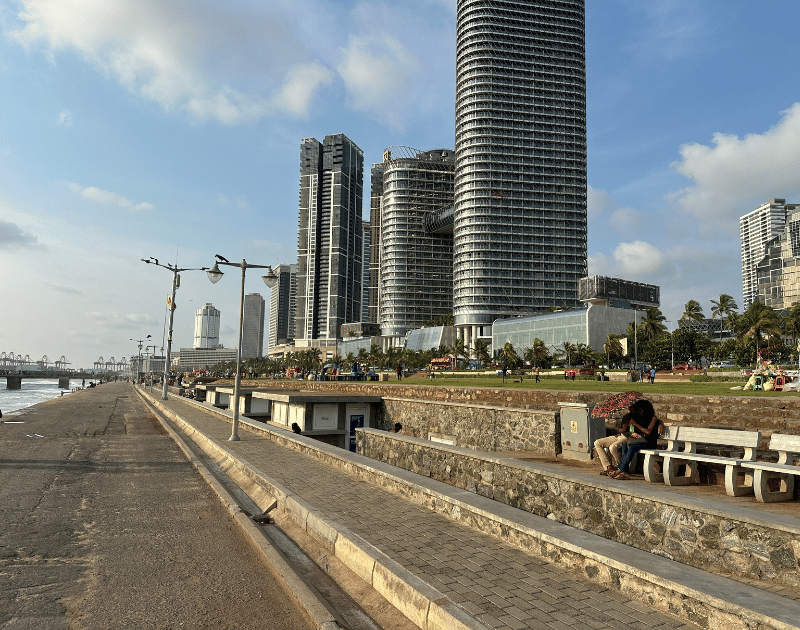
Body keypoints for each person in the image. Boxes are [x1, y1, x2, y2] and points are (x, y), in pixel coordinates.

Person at [609, 399, 662, 480]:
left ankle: (620, 470)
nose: (640, 412)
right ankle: (624, 471)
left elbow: (648, 432)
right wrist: (629, 428)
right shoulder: (640, 417)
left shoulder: (653, 418)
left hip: (650, 442)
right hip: (642, 440)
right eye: (639, 410)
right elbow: (632, 431)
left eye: (641, 410)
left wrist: (635, 424)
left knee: (632, 447)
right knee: (624, 445)